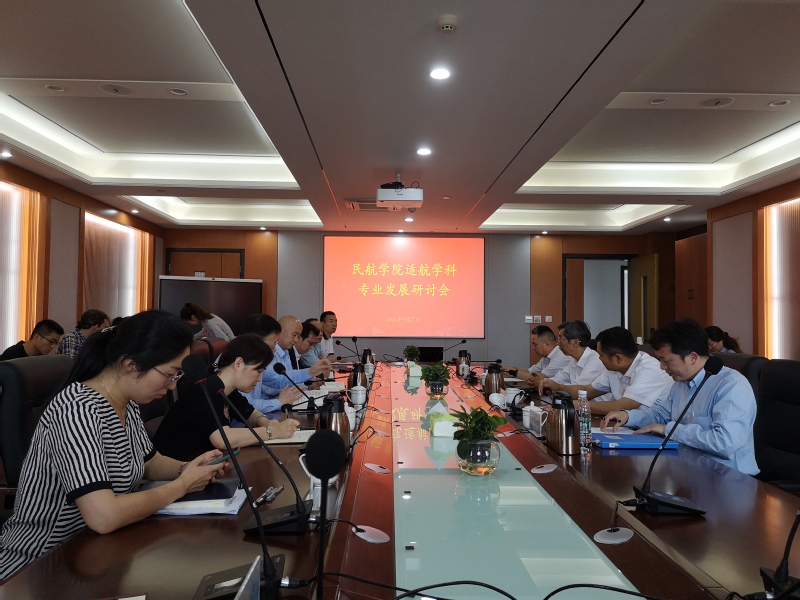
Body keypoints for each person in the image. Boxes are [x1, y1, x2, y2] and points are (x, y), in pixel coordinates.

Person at [0, 310, 225, 579]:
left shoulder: (125, 403)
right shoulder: (77, 410)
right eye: (170, 374)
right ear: (130, 365)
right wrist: (182, 485)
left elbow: (149, 462)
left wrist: (188, 468)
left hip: (95, 552)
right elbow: (103, 516)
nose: (171, 386)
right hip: (40, 565)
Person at [602, 319, 758, 475]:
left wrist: (668, 430)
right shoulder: (680, 383)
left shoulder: (731, 385)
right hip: (687, 468)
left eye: (666, 361)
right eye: (660, 360)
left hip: (727, 476)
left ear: (692, 357)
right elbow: (658, 415)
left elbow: (724, 442)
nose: (662, 367)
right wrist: (628, 416)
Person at [154, 334, 300, 461]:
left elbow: (250, 413)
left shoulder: (226, 389)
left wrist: (266, 422)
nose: (259, 379)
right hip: (172, 471)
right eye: (258, 371)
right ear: (238, 364)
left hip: (199, 464)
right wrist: (273, 432)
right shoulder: (207, 388)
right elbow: (222, 439)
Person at [546, 326, 673, 416]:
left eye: (601, 355)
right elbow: (587, 391)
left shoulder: (648, 369)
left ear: (618, 358)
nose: (599, 359)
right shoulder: (614, 369)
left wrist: (574, 405)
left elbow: (620, 407)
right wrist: (559, 387)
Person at [240, 313, 302, 413]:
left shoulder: (253, 359)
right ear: (256, 341)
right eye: (272, 345)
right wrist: (280, 402)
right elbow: (246, 406)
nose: (274, 350)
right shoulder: (240, 361)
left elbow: (278, 381)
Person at [258, 316, 331, 400]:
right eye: (294, 335)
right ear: (281, 331)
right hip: (269, 402)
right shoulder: (269, 351)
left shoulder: (286, 351)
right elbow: (273, 385)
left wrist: (307, 384)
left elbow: (288, 379)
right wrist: (310, 372)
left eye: (298, 336)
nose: (296, 340)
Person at [538, 320, 608, 397]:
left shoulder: (595, 361)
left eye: (561, 339)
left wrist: (558, 386)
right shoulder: (574, 360)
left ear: (575, 342)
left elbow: (579, 391)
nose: (558, 343)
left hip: (593, 404)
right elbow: (559, 378)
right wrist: (546, 382)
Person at [504, 325, 571, 385]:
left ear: (546, 344)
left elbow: (538, 378)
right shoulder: (546, 357)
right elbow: (530, 371)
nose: (533, 348)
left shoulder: (560, 357)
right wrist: (511, 368)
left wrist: (514, 372)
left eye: (535, 344)